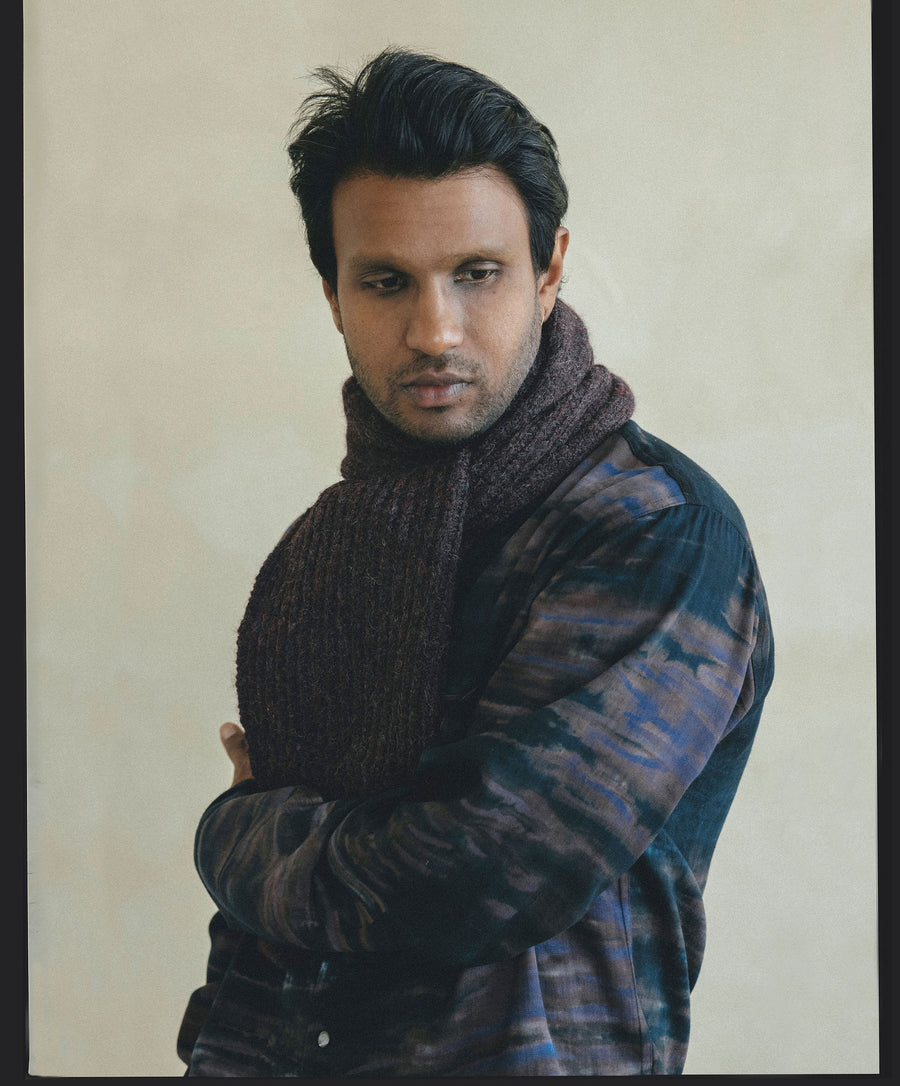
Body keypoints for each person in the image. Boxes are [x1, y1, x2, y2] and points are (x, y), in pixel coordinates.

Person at [177, 48, 774, 1077]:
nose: (433, 329)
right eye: (385, 281)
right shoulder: (335, 546)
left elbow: (477, 874)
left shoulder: (653, 533)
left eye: (478, 273)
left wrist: (237, 836)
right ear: (332, 292)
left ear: (549, 272)